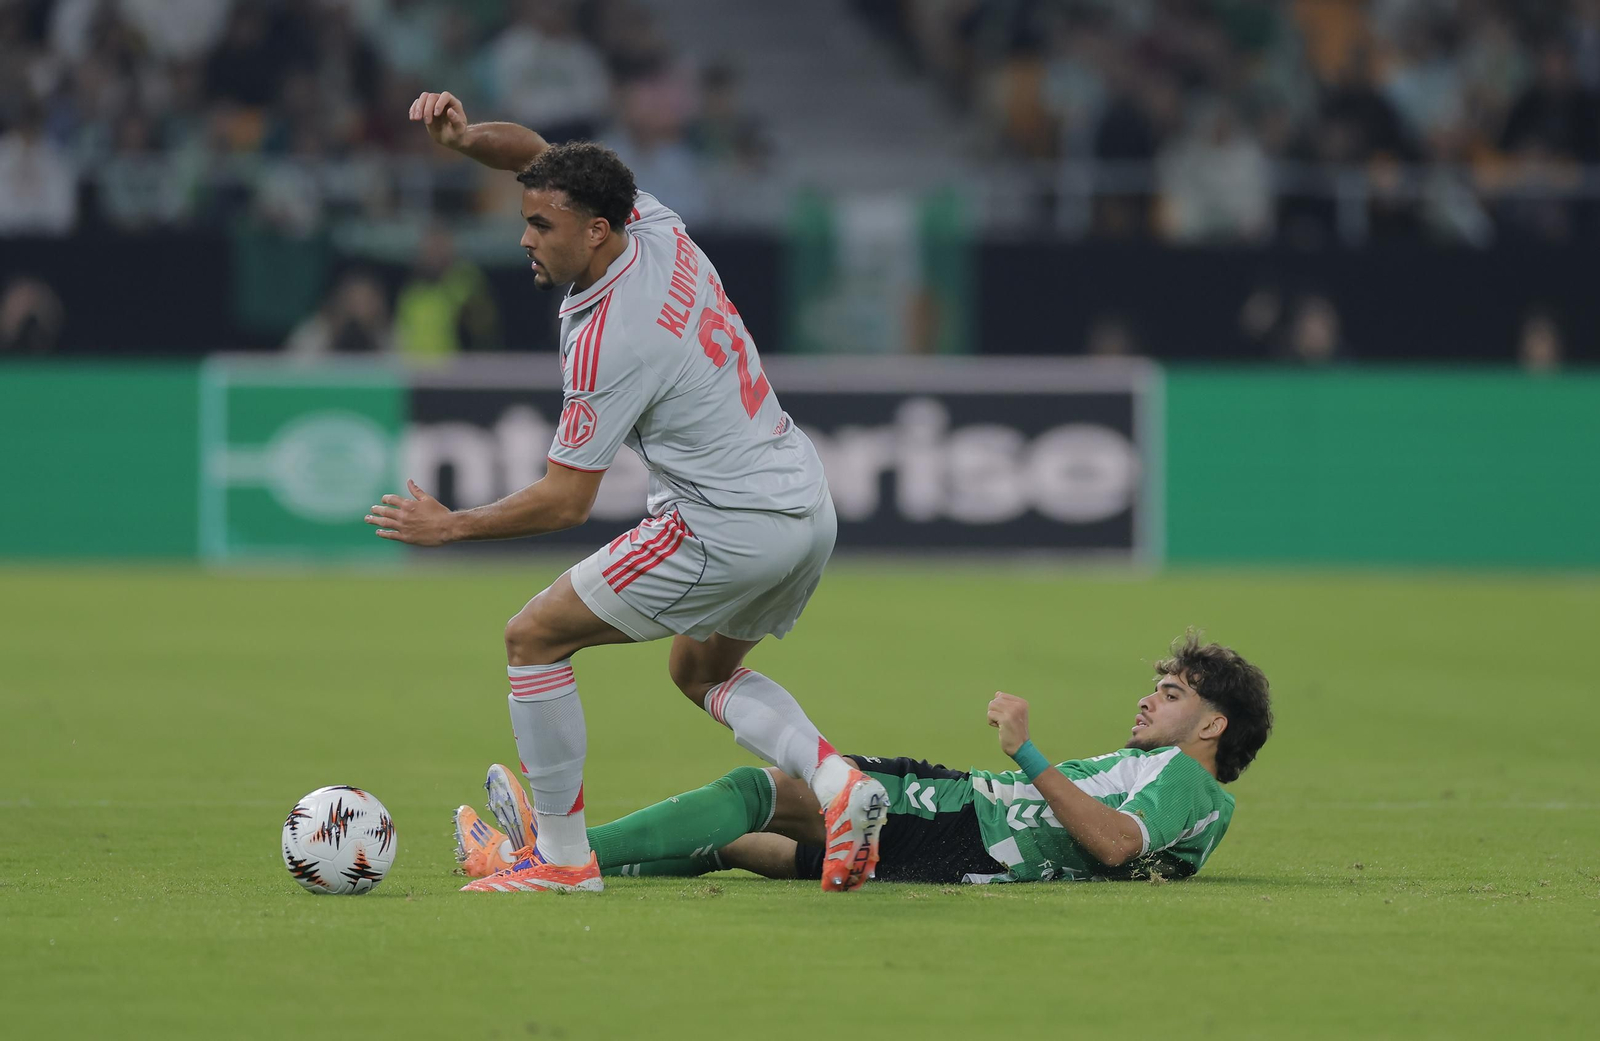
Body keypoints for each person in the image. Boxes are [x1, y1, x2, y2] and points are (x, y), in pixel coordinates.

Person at [366, 90, 887, 895]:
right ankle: (837, 782)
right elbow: (538, 159)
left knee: (533, 636)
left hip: (723, 520)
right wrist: (469, 139)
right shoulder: (651, 221)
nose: (524, 237)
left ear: (594, 231)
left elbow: (566, 500)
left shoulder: (612, 339)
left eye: (541, 227)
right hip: (804, 503)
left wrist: (452, 527)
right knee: (699, 669)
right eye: (528, 219)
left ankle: (565, 860)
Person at [456, 633, 1274, 885]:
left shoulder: (1181, 781)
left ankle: (550, 857)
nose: (1149, 698)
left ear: (1213, 725)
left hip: (967, 818)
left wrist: (1027, 751)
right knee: (750, 845)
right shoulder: (1180, 790)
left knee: (763, 789)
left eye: (1171, 692)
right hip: (964, 842)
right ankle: (563, 860)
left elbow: (1116, 843)